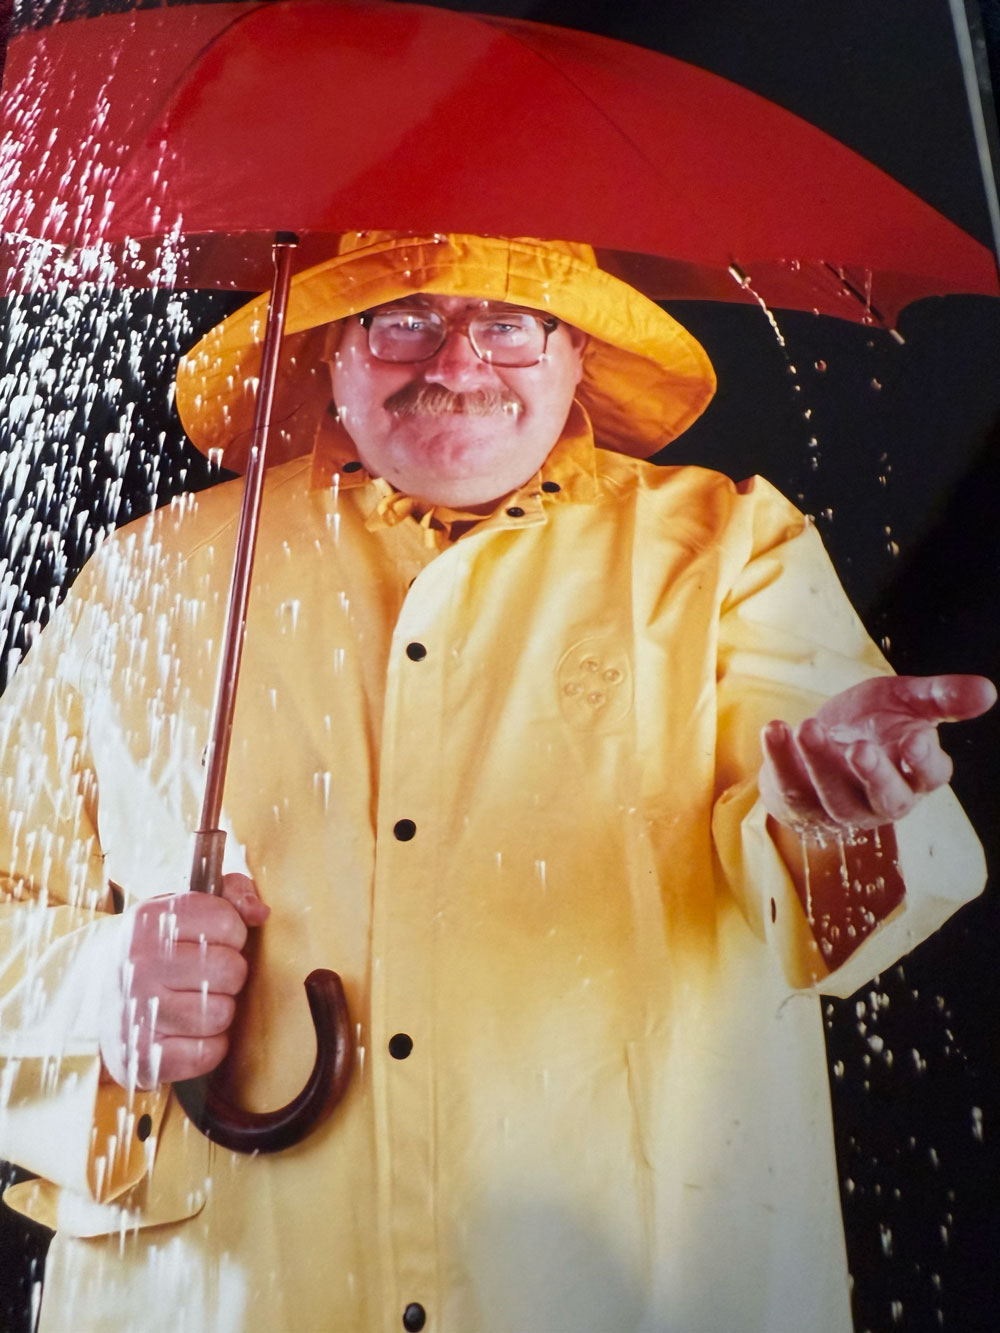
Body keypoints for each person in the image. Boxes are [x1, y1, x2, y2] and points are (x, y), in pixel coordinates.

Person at [0, 232, 992, 1333]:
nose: (459, 365)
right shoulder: (149, 577)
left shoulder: (726, 554)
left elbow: (832, 889)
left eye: (511, 325)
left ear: (577, 355)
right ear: (331, 346)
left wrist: (833, 815)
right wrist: (98, 985)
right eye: (402, 320)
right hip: (218, 1298)